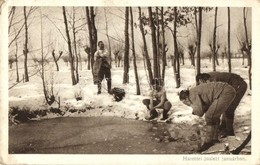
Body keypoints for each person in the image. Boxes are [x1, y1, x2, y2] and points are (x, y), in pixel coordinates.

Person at [179, 82, 236, 152]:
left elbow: (199, 112)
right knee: (213, 114)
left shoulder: (192, 95)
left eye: (184, 102)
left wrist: (192, 109)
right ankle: (214, 138)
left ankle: (208, 142)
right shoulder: (193, 92)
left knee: (209, 116)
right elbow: (205, 105)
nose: (186, 104)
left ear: (186, 99)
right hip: (226, 90)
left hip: (225, 93)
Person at [196, 72, 247, 137]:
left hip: (239, 86)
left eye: (202, 84)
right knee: (223, 106)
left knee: (229, 107)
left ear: (201, 80)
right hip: (232, 86)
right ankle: (223, 126)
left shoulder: (213, 80)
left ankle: (229, 131)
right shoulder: (208, 78)